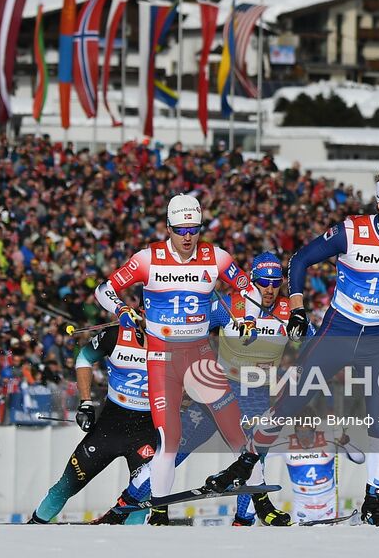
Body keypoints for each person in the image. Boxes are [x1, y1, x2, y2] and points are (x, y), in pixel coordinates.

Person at [204, 168, 379, 526]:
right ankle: (243, 465)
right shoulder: (351, 231)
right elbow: (299, 260)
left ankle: (374, 503)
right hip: (338, 332)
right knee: (287, 404)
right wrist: (297, 309)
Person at [94, 193, 261, 524]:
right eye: (181, 230)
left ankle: (260, 507)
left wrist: (248, 318)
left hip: (199, 355)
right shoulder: (148, 258)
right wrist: (122, 308)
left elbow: (248, 289)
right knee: (168, 438)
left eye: (194, 230)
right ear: (168, 228)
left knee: (236, 432)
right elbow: (104, 289)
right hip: (162, 357)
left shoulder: (216, 257)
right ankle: (158, 509)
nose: (188, 237)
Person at [103, 251, 304, 526]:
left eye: (275, 283)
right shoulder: (231, 305)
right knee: (175, 449)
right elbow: (190, 329)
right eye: (262, 282)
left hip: (255, 394)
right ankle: (124, 504)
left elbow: (319, 344)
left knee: (253, 452)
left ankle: (246, 519)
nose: (269, 289)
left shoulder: (287, 313)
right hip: (217, 389)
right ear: (251, 279)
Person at [28, 314, 157, 524]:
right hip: (109, 430)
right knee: (66, 486)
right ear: (141, 312)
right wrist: (85, 402)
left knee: (140, 500)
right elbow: (84, 358)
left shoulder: (176, 344)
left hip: (145, 434)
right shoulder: (116, 335)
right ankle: (32, 529)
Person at [284, 426, 362, 524]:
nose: (304, 437)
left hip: (329, 508)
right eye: (300, 433)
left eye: (308, 433)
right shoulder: (286, 443)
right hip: (302, 509)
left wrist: (344, 440)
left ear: (313, 430)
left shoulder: (329, 440)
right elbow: (260, 453)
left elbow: (360, 458)